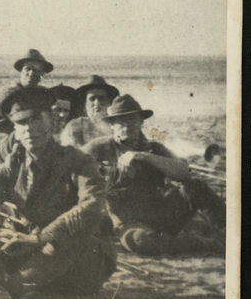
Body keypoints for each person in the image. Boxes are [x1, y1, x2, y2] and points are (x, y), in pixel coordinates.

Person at [0, 86, 115, 299]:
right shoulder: (15, 163)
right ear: (15, 130)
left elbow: (91, 208)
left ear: (51, 122)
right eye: (21, 123)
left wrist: (37, 238)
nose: (29, 128)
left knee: (67, 237)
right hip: (34, 262)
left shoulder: (77, 161)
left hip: (81, 266)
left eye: (36, 119)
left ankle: (1, 293)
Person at [83, 95, 226, 256]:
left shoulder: (154, 148)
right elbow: (77, 178)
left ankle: (228, 233)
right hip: (129, 221)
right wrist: (114, 178)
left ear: (141, 122)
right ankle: (204, 244)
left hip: (163, 214)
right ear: (112, 125)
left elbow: (184, 172)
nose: (127, 125)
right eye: (121, 121)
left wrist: (145, 157)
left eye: (132, 119)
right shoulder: (98, 148)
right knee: (141, 240)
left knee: (195, 186)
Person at [0, 49, 54, 138]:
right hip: (11, 141)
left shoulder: (46, 94)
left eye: (36, 70)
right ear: (21, 71)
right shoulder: (7, 95)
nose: (31, 73)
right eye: (28, 69)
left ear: (42, 73)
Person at [61, 75, 119, 149]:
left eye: (101, 98)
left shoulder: (117, 124)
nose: (97, 103)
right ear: (85, 103)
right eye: (92, 99)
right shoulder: (75, 126)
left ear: (108, 101)